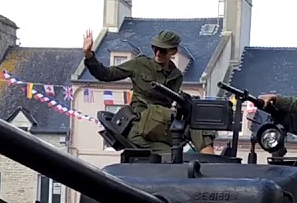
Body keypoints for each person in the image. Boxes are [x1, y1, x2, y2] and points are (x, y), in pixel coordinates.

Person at [81, 29, 215, 157]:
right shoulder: (140, 64)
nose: (158, 53)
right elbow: (106, 74)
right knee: (172, 157)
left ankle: (211, 162)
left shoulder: (176, 76)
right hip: (140, 127)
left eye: (163, 50)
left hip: (160, 125)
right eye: (155, 48)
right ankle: (208, 163)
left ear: (173, 51)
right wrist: (88, 55)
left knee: (194, 123)